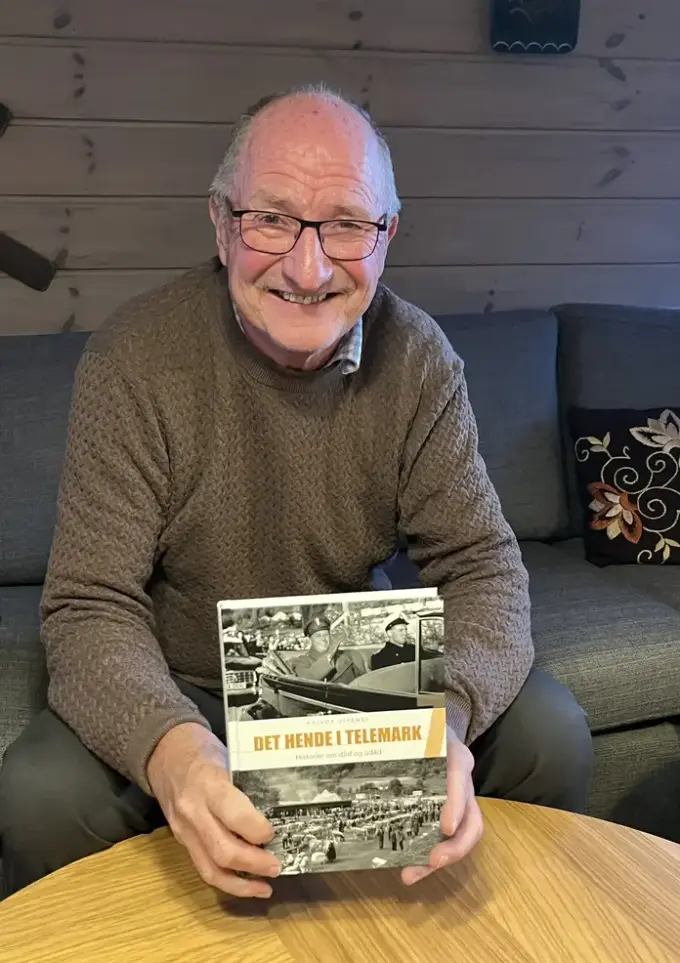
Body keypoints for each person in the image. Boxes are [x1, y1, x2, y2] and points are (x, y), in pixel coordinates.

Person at [0, 82, 593, 898]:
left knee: (549, 735)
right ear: (221, 223)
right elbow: (89, 602)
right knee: (40, 795)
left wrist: (445, 720)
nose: (308, 269)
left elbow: (484, 569)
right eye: (271, 219)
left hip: (357, 680)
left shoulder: (419, 361)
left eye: (346, 225)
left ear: (387, 236)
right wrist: (173, 752)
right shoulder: (134, 360)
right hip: (185, 681)